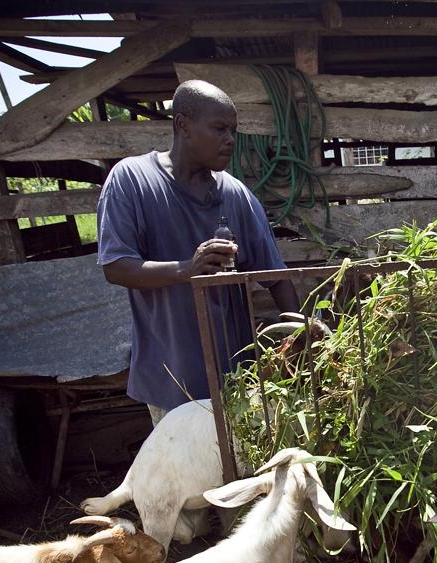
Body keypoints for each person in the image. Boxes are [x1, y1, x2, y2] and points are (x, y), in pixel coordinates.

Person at [97, 80, 299, 425]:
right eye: (219, 128)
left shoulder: (236, 195)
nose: (230, 140)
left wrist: (299, 331)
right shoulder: (132, 180)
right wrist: (186, 269)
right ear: (183, 125)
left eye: (233, 131)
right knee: (190, 477)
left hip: (238, 381)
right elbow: (116, 267)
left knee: (243, 475)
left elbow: (275, 277)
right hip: (170, 379)